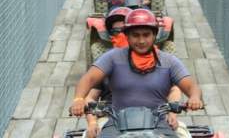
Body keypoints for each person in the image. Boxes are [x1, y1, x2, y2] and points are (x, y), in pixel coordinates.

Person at [71, 9, 203, 138]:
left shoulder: (169, 62)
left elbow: (191, 86)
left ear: (154, 35)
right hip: (116, 124)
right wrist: (78, 99)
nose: (141, 41)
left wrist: (195, 97)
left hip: (159, 123)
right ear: (127, 36)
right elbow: (88, 79)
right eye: (135, 35)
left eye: (146, 35)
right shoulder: (112, 58)